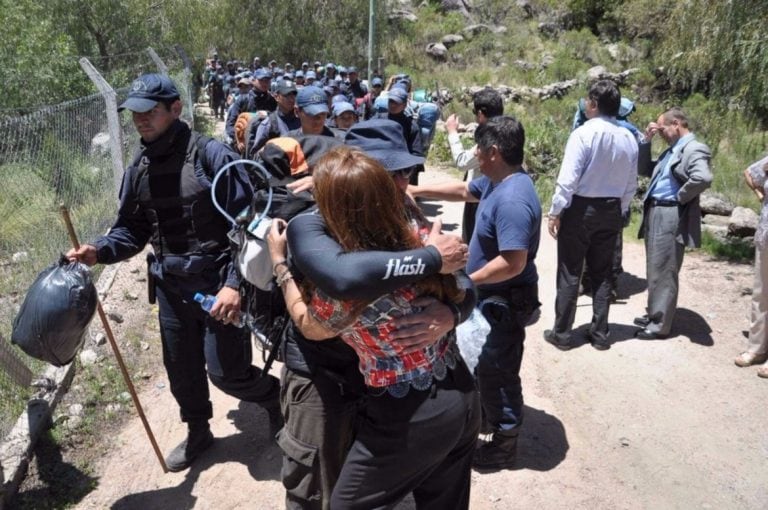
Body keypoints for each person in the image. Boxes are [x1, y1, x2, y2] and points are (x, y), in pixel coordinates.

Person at [65, 74, 281, 472]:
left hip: (218, 282)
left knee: (227, 372)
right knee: (180, 368)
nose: (141, 120)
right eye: (135, 113)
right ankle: (198, 431)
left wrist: (235, 286)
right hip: (170, 285)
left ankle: (275, 399)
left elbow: (252, 225)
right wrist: (100, 250)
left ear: (175, 109)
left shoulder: (210, 156)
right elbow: (132, 229)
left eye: (151, 111)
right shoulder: (139, 169)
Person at [271, 119, 475, 510]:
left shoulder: (396, 245)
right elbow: (345, 274)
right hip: (457, 396)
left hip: (413, 413)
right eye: (389, 175)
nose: (401, 183)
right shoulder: (419, 237)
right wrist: (436, 267)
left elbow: (312, 326)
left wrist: (280, 266)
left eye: (404, 172)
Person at [409, 116, 541, 469]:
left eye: (479, 150)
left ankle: (504, 441)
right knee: (484, 363)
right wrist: (417, 191)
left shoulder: (512, 199)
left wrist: (466, 281)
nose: (475, 156)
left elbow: (513, 261)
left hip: (503, 299)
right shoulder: (500, 181)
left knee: (497, 369)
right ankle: (490, 418)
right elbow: (465, 190)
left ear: (493, 152)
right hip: (491, 295)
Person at [544, 80, 637, 351]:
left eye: (587, 100)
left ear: (593, 104)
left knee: (570, 271)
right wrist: (620, 210)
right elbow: (631, 184)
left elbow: (568, 180)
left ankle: (561, 333)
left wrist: (556, 211)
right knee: (602, 273)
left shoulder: (583, 134)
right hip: (611, 209)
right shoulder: (628, 138)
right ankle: (600, 333)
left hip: (580, 210)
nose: (585, 104)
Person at [635, 107, 712, 339]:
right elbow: (644, 170)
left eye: (662, 129)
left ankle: (659, 325)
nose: (660, 133)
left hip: (670, 212)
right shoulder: (672, 150)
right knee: (655, 266)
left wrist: (680, 197)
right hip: (656, 210)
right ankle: (655, 313)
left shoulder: (694, 148)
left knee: (665, 269)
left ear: (676, 123)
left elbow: (703, 178)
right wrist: (646, 142)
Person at [446, 87, 504, 243]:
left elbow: (462, 162)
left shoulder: (489, 137)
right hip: (499, 194)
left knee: (473, 240)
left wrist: (452, 132)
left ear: (480, 114)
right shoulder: (507, 130)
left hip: (479, 197)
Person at [735, 156, 768, 377]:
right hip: (766, 234)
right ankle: (756, 348)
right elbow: (750, 172)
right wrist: (760, 196)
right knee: (761, 295)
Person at [377, 85, 424, 185]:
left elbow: (416, 152)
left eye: (397, 103)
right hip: (379, 168)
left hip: (401, 170)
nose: (393, 105)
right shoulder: (377, 120)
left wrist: (407, 172)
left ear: (404, 105)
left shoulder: (411, 126)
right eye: (391, 101)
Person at [247, 78, 301, 157]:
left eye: (293, 95)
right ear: (276, 97)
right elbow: (256, 155)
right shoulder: (269, 124)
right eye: (287, 95)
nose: (291, 99)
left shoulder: (302, 119)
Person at [224, 68, 277, 142]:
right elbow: (230, 125)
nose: (265, 83)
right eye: (261, 80)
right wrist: (239, 140)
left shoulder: (272, 100)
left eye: (267, 81)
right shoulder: (243, 99)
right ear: (253, 81)